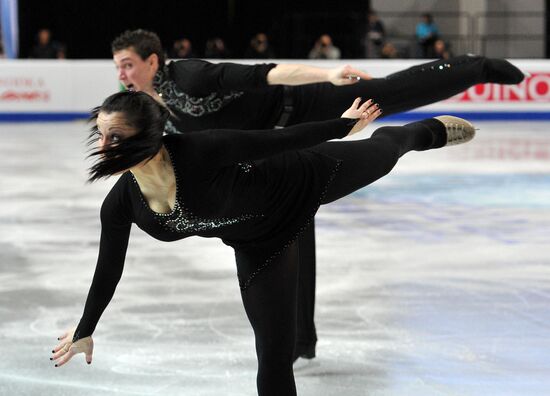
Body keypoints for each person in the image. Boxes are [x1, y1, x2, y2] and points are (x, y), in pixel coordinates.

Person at [109, 29, 525, 361]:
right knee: (290, 228)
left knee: (389, 92)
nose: (123, 75)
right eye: (118, 68)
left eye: (128, 65)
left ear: (152, 61)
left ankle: (474, 66)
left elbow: (266, 74)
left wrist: (325, 76)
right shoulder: (147, 110)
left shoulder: (189, 76)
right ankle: (301, 340)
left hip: (304, 107)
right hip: (272, 154)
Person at [51, 90, 476, 396]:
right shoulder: (121, 202)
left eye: (116, 137)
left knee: (385, 152)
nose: (103, 147)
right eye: (101, 136)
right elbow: (109, 267)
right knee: (273, 353)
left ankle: (421, 132)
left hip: (303, 176)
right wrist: (86, 330)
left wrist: (344, 126)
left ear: (149, 135)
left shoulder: (199, 151)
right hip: (260, 243)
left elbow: (277, 140)